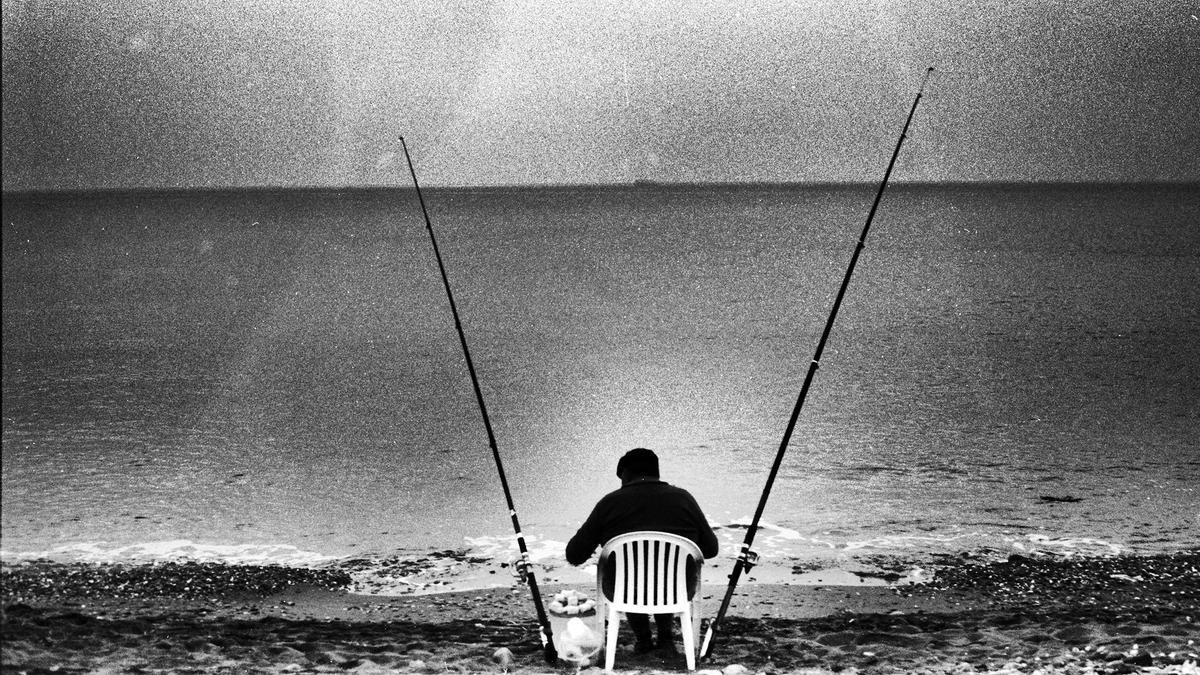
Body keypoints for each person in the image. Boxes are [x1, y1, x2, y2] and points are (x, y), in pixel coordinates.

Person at [565, 447, 719, 653]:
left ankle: (644, 639)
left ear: (626, 473)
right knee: (665, 575)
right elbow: (711, 550)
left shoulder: (609, 503)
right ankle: (665, 639)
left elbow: (574, 555)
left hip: (624, 593)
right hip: (678, 592)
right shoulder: (684, 499)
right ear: (656, 472)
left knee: (629, 578)